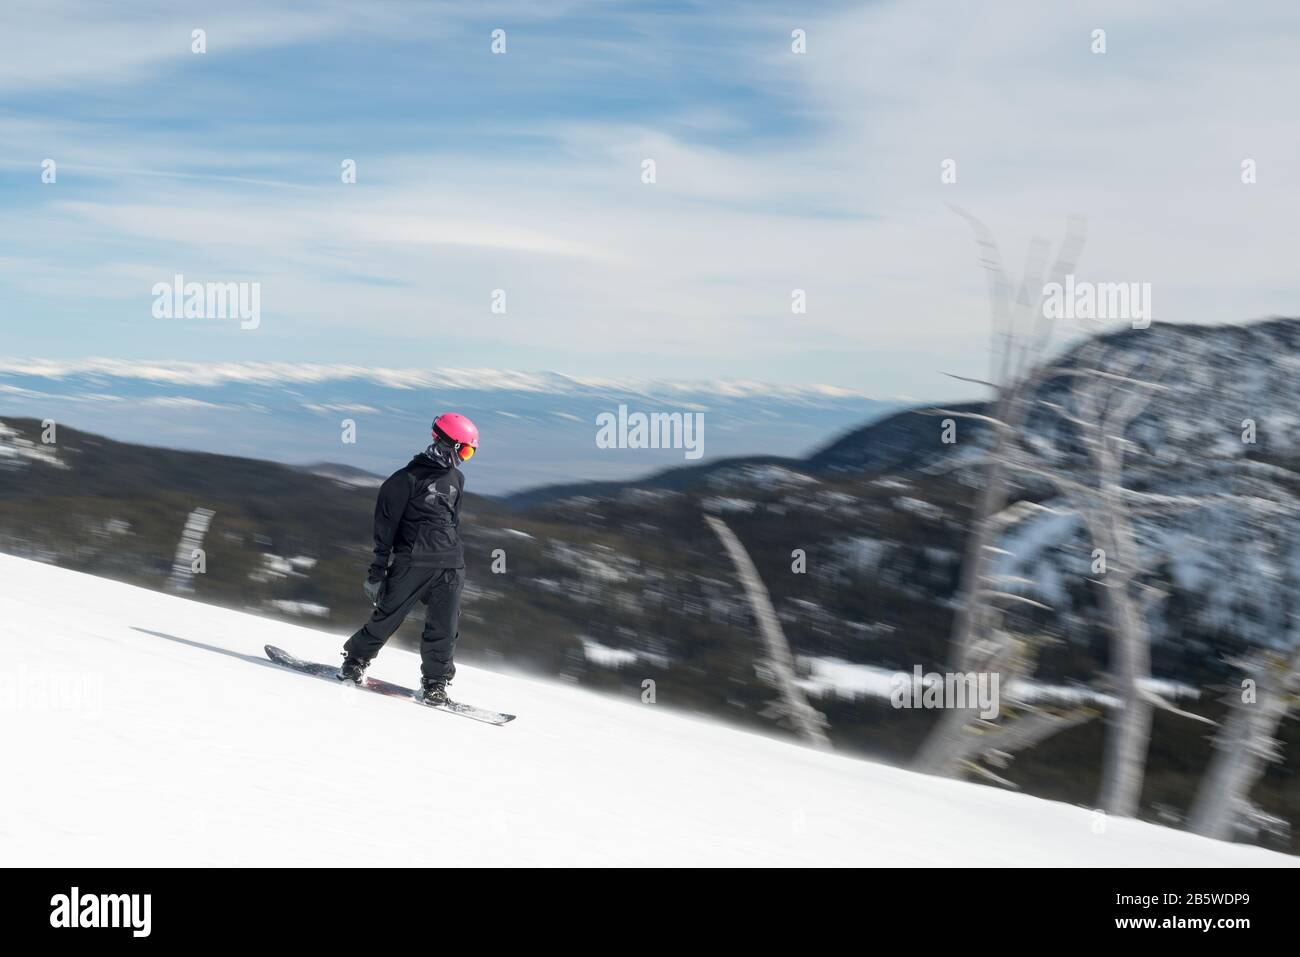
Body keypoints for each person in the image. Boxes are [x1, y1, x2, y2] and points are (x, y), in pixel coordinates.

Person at [338, 413, 479, 704]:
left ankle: (435, 683)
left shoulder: (457, 478)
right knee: (388, 617)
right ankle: (354, 661)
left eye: (471, 452)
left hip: (450, 565)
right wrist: (377, 572)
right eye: (465, 450)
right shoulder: (404, 481)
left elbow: (453, 522)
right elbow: (385, 530)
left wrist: (456, 560)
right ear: (447, 444)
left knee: (445, 626)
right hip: (412, 561)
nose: (466, 458)